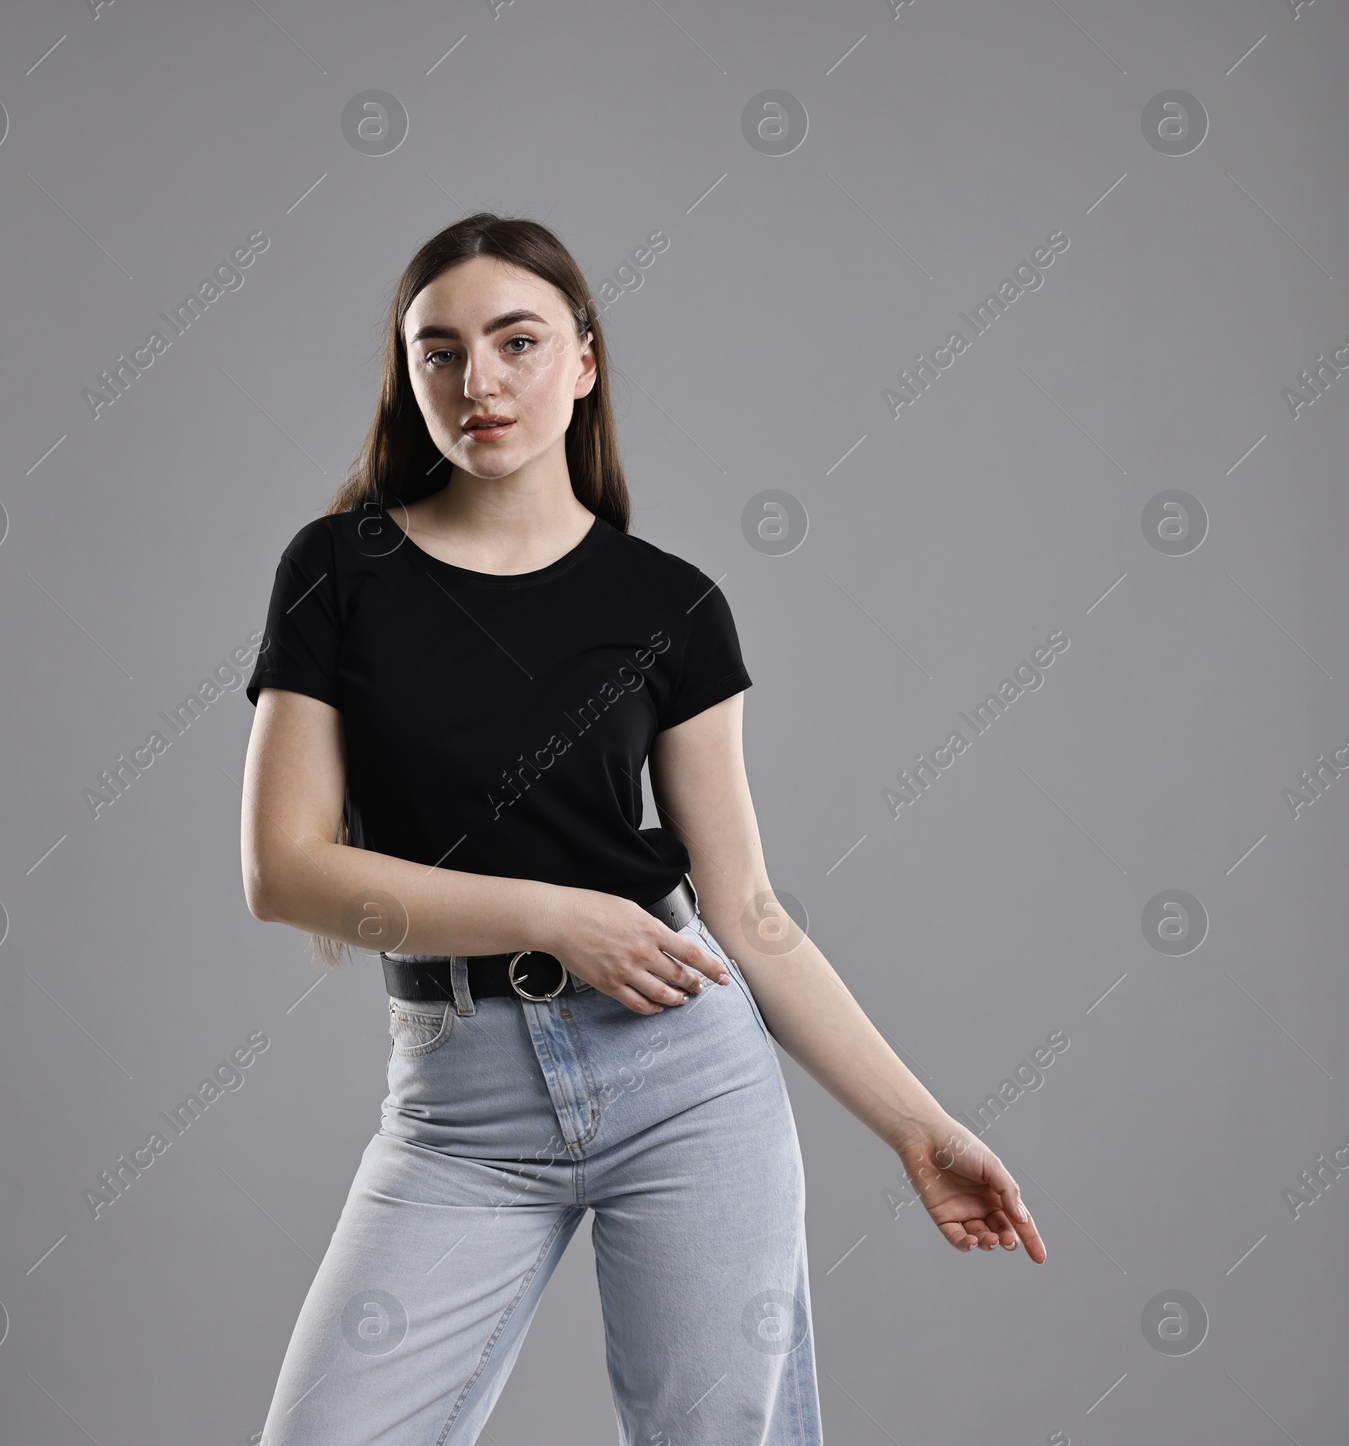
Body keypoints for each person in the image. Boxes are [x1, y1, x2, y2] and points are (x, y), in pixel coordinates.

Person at [239, 212, 1046, 1446]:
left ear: (584, 359)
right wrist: (553, 916)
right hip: (459, 1106)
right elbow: (284, 873)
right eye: (438, 352)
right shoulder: (338, 573)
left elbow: (750, 915)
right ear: (407, 375)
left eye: (517, 341)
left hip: (684, 1077)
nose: (480, 382)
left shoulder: (669, 606)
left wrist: (919, 1129)